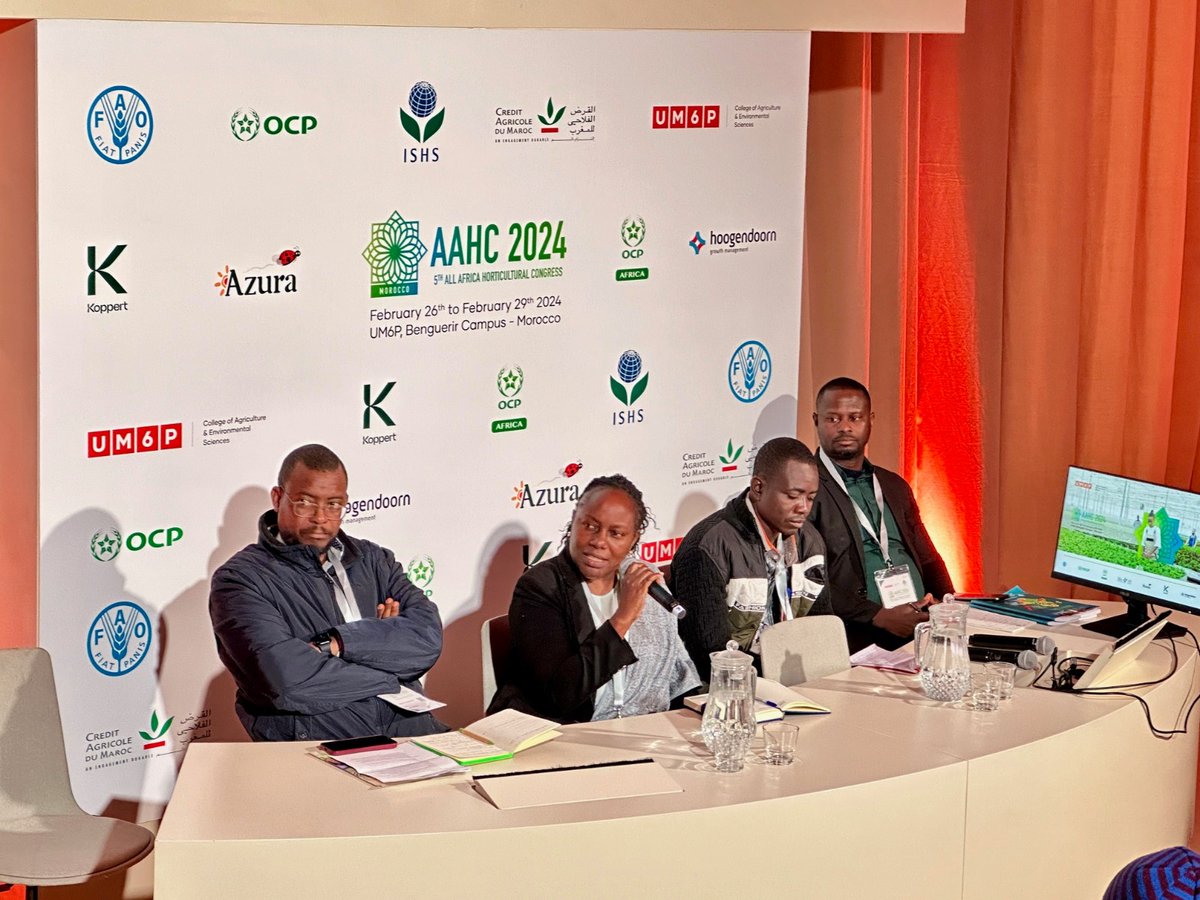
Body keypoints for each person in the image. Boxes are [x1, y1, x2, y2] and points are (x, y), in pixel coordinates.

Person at [209, 444, 446, 741]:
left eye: (334, 504)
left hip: (414, 738)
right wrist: (386, 658)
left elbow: (427, 642)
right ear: (278, 498)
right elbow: (286, 681)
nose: (321, 518)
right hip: (320, 752)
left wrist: (335, 645)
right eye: (306, 503)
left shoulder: (373, 560)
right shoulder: (240, 580)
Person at [488, 475, 700, 723]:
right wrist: (623, 617)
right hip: (561, 733)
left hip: (641, 730)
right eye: (590, 526)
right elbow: (559, 696)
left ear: (633, 539)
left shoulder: (646, 582)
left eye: (616, 533)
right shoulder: (540, 587)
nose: (599, 541)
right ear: (574, 521)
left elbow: (676, 672)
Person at [807, 377, 954, 653]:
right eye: (833, 419)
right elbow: (807, 580)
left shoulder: (893, 486)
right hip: (858, 633)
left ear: (870, 420)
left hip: (922, 626)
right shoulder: (806, 490)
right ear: (816, 420)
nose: (845, 427)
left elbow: (929, 558)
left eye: (854, 417)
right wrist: (879, 616)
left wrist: (948, 607)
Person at [670, 437, 832, 682]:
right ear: (758, 488)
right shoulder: (708, 547)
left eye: (810, 497)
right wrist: (777, 678)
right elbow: (710, 656)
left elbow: (821, 631)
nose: (803, 508)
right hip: (724, 690)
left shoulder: (811, 541)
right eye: (792, 496)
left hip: (795, 680)